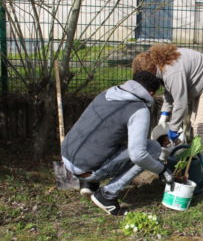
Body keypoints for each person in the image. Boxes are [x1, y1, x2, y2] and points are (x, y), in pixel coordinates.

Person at [61, 71, 174, 216]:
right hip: (85, 169)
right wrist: (162, 170)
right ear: (151, 93)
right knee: (152, 148)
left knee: (112, 138)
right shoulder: (139, 109)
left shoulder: (108, 93)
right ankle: (107, 195)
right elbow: (138, 155)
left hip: (67, 158)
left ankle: (89, 183)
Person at [132, 44, 203, 159]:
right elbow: (170, 91)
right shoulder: (161, 65)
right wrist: (164, 116)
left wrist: (173, 129)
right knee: (194, 122)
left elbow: (180, 102)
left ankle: (198, 165)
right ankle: (195, 157)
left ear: (152, 70)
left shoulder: (171, 71)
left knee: (201, 125)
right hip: (200, 82)